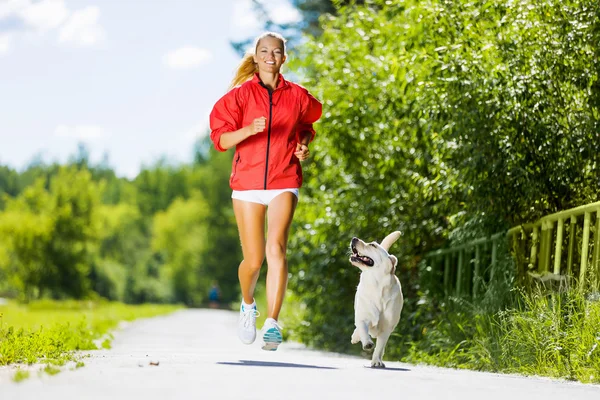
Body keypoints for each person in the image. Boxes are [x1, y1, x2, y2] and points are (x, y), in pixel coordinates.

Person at [209, 32, 322, 351]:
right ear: (256, 57)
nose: (271, 55)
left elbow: (308, 123)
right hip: (246, 184)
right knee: (254, 260)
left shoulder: (298, 96)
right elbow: (220, 140)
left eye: (277, 51)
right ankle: (248, 305)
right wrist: (248, 130)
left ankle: (272, 322)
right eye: (264, 51)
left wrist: (302, 144)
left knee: (277, 249)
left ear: (284, 58)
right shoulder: (239, 97)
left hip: (284, 178)